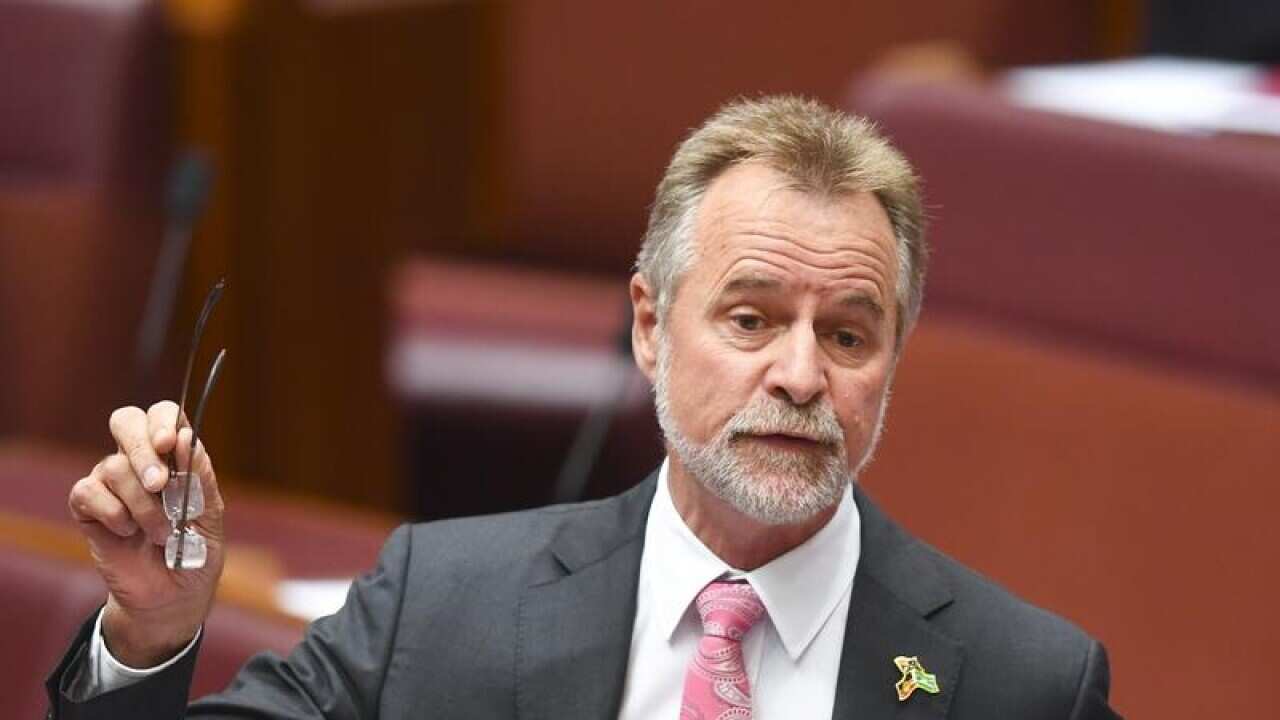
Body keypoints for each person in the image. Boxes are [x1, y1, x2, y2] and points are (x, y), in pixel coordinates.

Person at [48, 95, 1121, 719]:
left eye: (847, 335)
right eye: (751, 319)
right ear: (649, 326)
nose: (801, 376)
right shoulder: (442, 605)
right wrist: (155, 632)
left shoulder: (1023, 683)